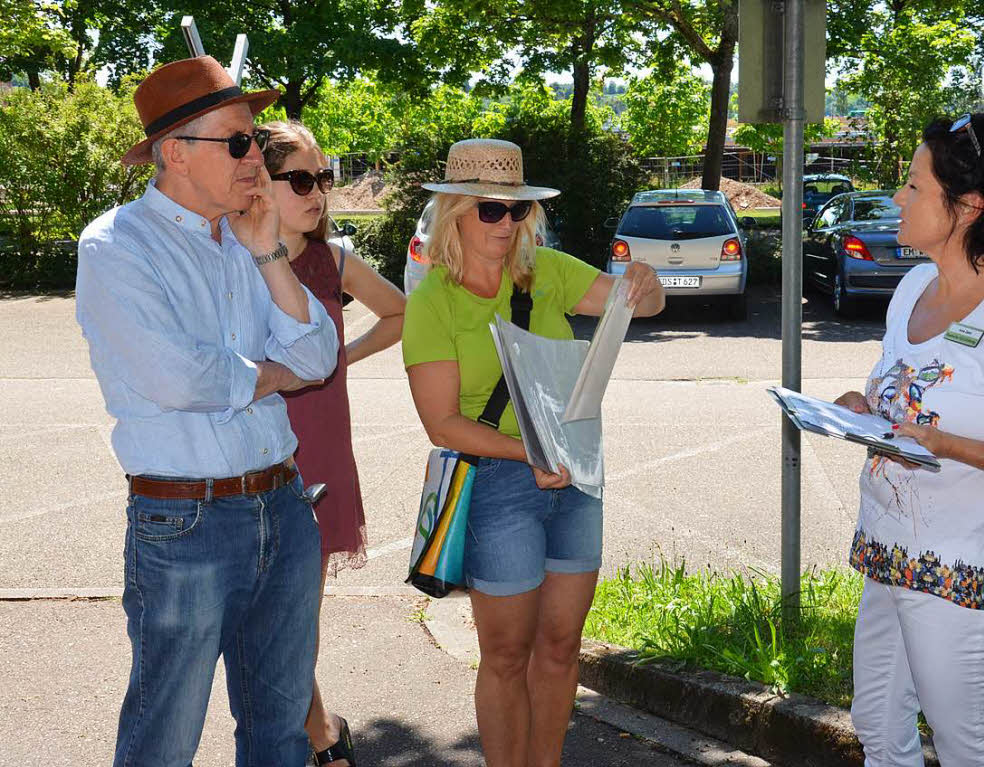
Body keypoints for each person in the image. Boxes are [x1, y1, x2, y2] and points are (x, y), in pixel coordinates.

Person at [75, 57, 340, 766]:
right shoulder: (116, 245)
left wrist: (267, 255)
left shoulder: (247, 239)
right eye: (237, 142)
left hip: (281, 508)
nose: (256, 155)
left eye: (252, 138)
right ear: (174, 154)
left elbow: (319, 355)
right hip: (183, 522)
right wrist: (269, 374)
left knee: (280, 736)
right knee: (164, 741)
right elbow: (178, 375)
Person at [401, 138, 665, 767]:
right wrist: (526, 456)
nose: (506, 224)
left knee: (560, 646)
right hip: (499, 485)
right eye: (490, 210)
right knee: (506, 655)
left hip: (575, 479)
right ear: (455, 212)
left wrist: (646, 286)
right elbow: (442, 424)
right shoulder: (433, 301)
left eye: (516, 211)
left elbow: (639, 303)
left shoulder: (549, 272)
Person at [834, 113, 984, 766]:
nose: (897, 197)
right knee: (879, 728)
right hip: (887, 554)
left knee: (970, 749)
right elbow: (896, 399)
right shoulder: (913, 287)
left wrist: (949, 447)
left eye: (914, 186)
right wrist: (859, 410)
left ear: (969, 207)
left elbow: (940, 436)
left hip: (966, 576)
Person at [262, 120, 406, 766]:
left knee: (295, 624)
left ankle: (315, 740)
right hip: (251, 457)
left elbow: (401, 310)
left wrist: (341, 354)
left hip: (319, 454)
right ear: (259, 184)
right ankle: (321, 730)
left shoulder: (333, 260)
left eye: (323, 177)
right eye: (300, 179)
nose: (318, 191)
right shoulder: (234, 259)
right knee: (265, 624)